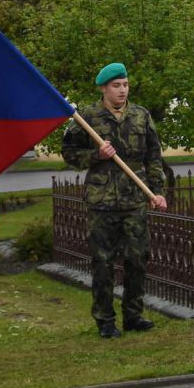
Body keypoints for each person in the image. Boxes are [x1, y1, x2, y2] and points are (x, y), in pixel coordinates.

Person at [62, 63, 168, 338]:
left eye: (125, 84)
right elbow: (69, 154)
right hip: (102, 202)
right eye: (116, 86)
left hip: (135, 199)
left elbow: (153, 157)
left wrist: (157, 191)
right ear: (103, 88)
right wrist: (97, 155)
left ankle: (133, 316)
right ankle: (105, 321)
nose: (122, 90)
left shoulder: (141, 116)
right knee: (103, 263)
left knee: (137, 259)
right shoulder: (87, 117)